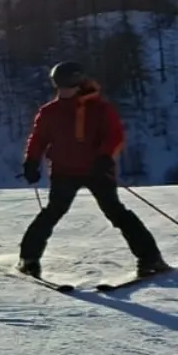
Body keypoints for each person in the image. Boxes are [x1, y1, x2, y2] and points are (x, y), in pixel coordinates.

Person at [18, 62, 167, 279]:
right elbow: (38, 139)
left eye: (67, 85)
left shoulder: (100, 109)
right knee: (52, 212)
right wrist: (31, 162)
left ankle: (150, 258)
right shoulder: (50, 111)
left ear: (79, 83)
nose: (63, 90)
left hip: (96, 170)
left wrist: (106, 158)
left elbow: (114, 136)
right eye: (59, 85)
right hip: (64, 171)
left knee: (116, 212)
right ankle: (29, 259)